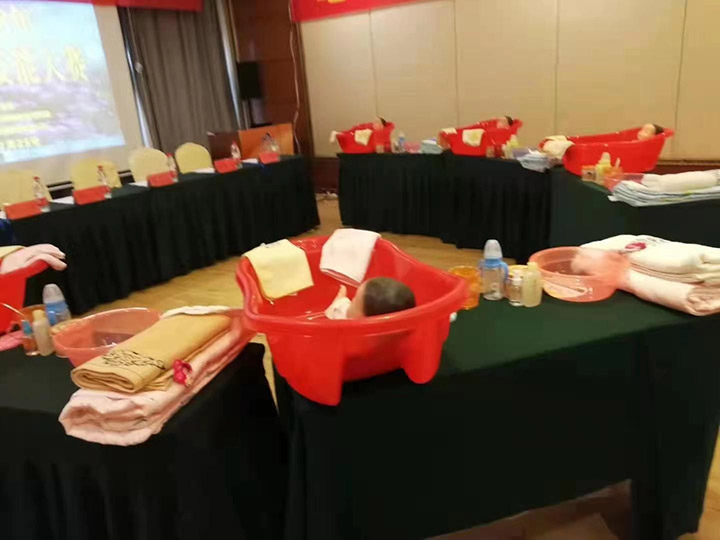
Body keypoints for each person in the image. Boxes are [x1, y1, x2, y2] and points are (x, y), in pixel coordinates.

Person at [325, 277, 416, 320]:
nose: (352, 300)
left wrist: (338, 303)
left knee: (339, 310)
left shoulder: (348, 329)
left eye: (355, 302)